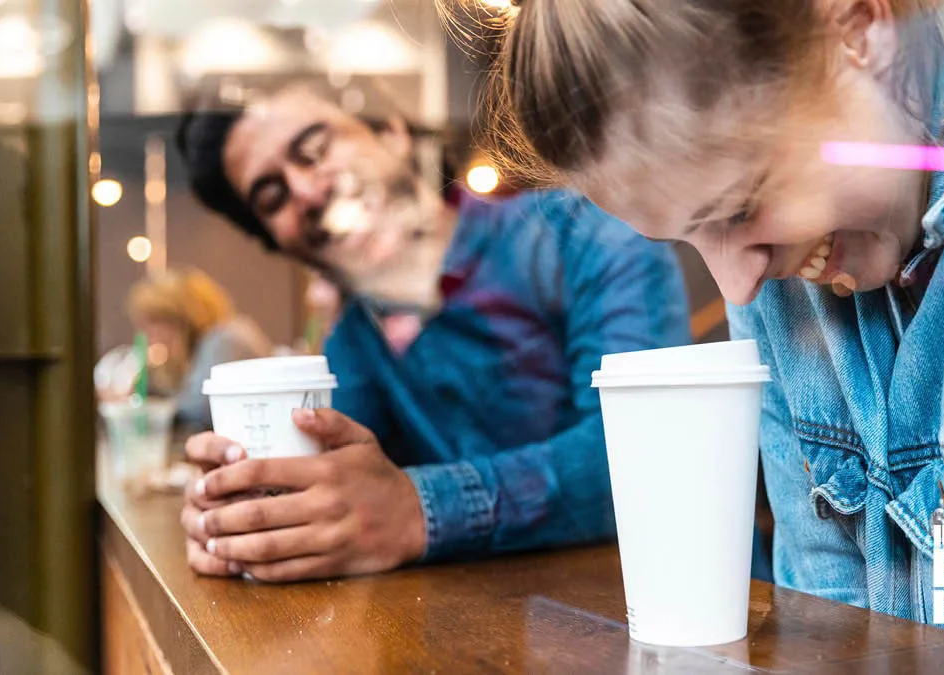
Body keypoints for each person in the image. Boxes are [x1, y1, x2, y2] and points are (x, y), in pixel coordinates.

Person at [449, 0, 944, 671]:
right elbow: (830, 630)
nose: (736, 286)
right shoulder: (777, 262)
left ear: (859, 25)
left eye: (739, 208)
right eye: (686, 237)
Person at [174, 85, 690, 580]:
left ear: (392, 132)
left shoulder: (583, 233)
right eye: (272, 197)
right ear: (279, 242)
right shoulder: (355, 344)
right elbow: (336, 495)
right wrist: (241, 516)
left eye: (314, 147)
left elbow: (651, 455)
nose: (307, 192)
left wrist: (418, 510)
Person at [110, 268, 272, 430]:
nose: (149, 334)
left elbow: (198, 409)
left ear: (185, 318)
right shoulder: (197, 348)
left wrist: (147, 404)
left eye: (156, 321)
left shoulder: (225, 338)